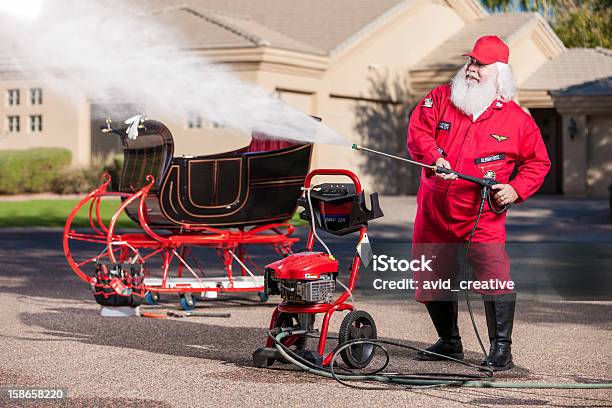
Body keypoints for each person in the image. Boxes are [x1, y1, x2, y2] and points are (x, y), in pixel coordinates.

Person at [406, 35, 551, 370]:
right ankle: (449, 341)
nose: (471, 69)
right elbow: (419, 131)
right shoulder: (441, 98)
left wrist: (515, 189)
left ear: (499, 73)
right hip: (433, 210)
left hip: (481, 213)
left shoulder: (517, 121)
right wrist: (434, 157)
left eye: (480, 64)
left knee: (493, 275)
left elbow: (538, 163)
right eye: (470, 62)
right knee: (429, 275)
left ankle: (501, 349)